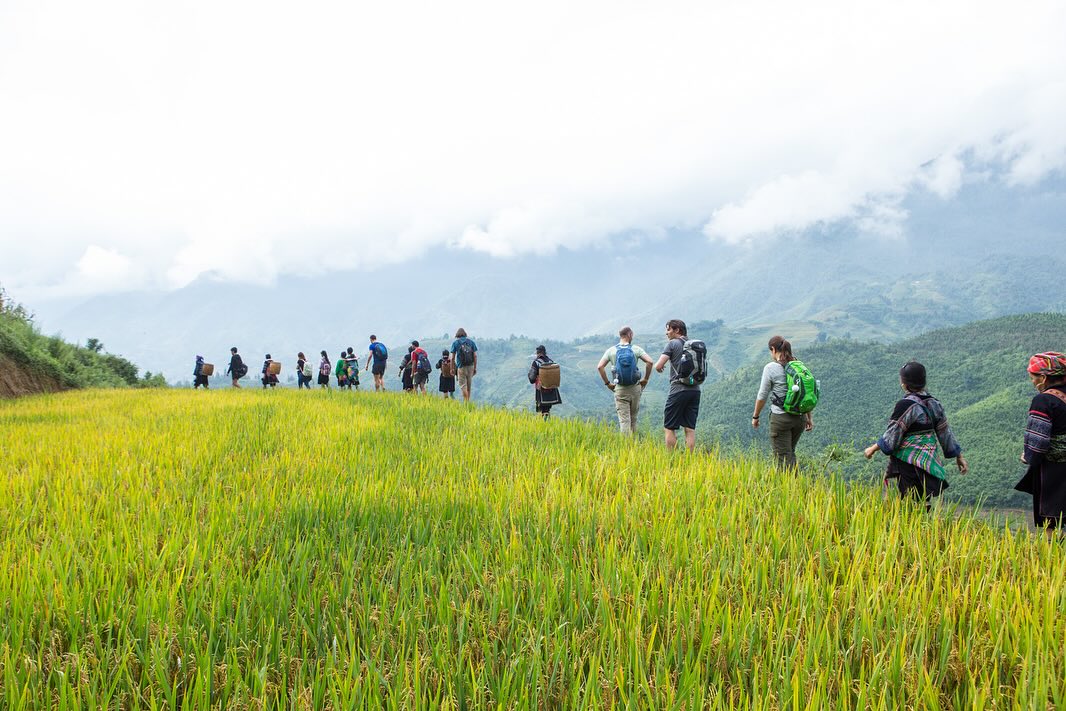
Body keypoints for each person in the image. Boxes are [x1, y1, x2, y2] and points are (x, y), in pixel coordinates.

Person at [863, 361, 968, 506]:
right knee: (922, 498)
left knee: (907, 501)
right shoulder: (934, 403)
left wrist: (872, 449)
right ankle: (923, 519)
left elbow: (893, 434)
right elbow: (945, 432)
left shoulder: (905, 405)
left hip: (907, 462)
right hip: (928, 460)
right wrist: (959, 456)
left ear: (904, 384)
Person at [1015, 352, 1066, 534]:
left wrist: (1028, 456)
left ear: (1043, 378)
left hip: (1053, 471)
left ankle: (1052, 550)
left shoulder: (1043, 401)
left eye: (1033, 378)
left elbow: (1038, 441)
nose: (1032, 382)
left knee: (1050, 521)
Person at [751, 336, 814, 468]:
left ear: (773, 349)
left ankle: (788, 481)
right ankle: (796, 480)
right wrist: (809, 418)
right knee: (790, 453)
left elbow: (762, 395)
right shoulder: (798, 365)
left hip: (781, 419)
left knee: (782, 460)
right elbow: (806, 393)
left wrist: (755, 416)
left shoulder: (770, 368)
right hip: (800, 418)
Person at [596, 326, 654, 435]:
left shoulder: (611, 350)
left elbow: (600, 367)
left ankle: (625, 444)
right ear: (630, 334)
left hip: (620, 389)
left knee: (624, 420)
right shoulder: (636, 349)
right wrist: (645, 379)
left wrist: (608, 383)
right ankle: (634, 444)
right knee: (633, 419)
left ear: (620, 335)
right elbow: (650, 362)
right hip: (635, 388)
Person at [654, 320, 700, 451]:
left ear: (677, 330)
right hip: (695, 390)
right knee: (690, 429)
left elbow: (658, 365)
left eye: (668, 329)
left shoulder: (672, 344)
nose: (666, 333)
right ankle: (690, 459)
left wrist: (660, 368)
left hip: (678, 389)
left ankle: (672, 458)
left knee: (669, 427)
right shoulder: (694, 345)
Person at [528, 345, 561, 419]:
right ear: (545, 352)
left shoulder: (536, 362)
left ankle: (545, 423)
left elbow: (532, 378)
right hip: (552, 389)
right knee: (547, 409)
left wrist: (529, 375)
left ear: (538, 353)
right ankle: (547, 422)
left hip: (541, 389)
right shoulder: (551, 361)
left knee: (544, 410)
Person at [451, 328, 479, 402]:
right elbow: (475, 356)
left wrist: (452, 368)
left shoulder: (456, 343)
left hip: (461, 367)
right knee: (468, 386)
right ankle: (467, 403)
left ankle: (465, 402)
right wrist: (475, 368)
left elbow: (452, 358)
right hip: (471, 366)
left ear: (457, 335)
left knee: (463, 386)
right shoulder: (471, 342)